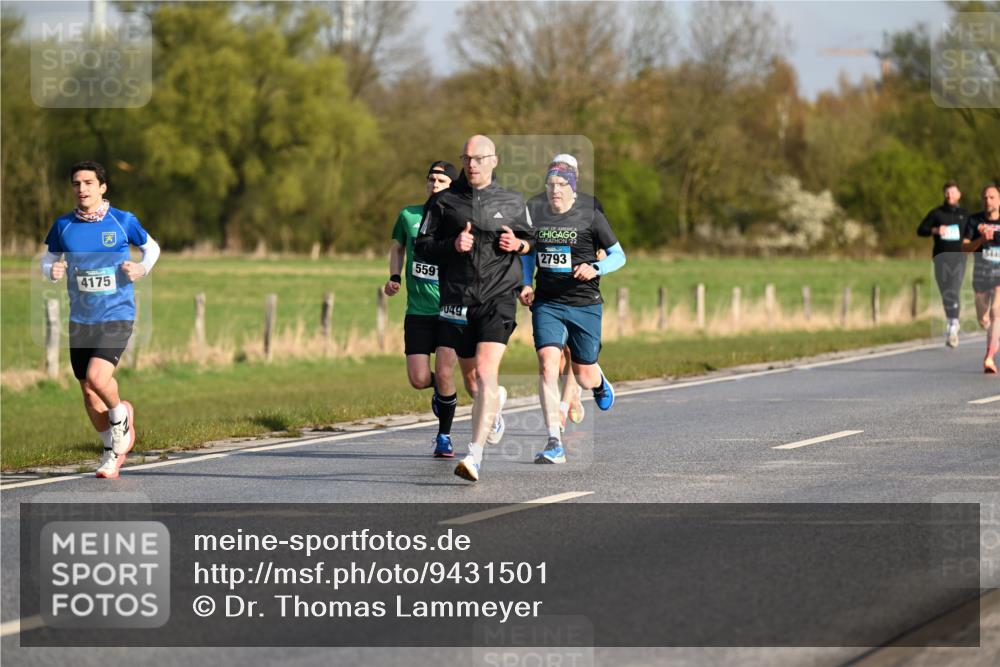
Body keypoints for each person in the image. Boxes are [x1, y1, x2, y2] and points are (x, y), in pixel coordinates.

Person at [416, 135, 535, 482]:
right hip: (458, 298)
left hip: (498, 298)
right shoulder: (442, 202)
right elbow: (423, 246)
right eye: (467, 158)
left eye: (479, 158)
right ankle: (494, 404)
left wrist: (520, 244)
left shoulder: (512, 199)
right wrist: (452, 244)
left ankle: (475, 456)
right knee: (473, 380)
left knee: (484, 371)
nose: (472, 164)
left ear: (494, 161)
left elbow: (533, 239)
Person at [41, 161, 160, 479]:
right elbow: (49, 258)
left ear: (102, 187)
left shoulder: (123, 221)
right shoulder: (63, 225)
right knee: (88, 391)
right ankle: (112, 450)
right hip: (81, 318)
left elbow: (152, 248)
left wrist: (141, 269)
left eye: (89, 183)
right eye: (77, 183)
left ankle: (120, 416)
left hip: (117, 313)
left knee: (97, 377)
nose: (82, 189)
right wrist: (50, 271)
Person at [520, 154, 625, 464]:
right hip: (548, 302)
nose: (554, 190)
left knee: (584, 374)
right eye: (550, 184)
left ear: (573, 186)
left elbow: (619, 256)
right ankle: (554, 440)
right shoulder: (535, 210)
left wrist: (596, 267)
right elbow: (528, 252)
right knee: (547, 364)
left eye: (561, 184)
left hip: (584, 302)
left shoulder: (591, 214)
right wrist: (526, 282)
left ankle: (599, 380)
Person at [385, 161, 470, 457]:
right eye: (431, 179)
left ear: (451, 186)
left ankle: (444, 436)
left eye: (442, 180)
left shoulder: (459, 218)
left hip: (451, 308)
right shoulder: (410, 215)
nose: (434, 184)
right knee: (419, 379)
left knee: (445, 372)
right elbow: (397, 247)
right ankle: (443, 391)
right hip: (418, 311)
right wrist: (395, 277)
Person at [918, 181, 969, 347]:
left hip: (959, 259)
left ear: (959, 194)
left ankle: (953, 325)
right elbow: (921, 230)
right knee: (946, 291)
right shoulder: (936, 213)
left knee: (953, 289)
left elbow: (974, 233)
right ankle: (951, 320)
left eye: (953, 192)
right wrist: (935, 230)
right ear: (944, 195)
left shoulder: (965, 215)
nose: (950, 196)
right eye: (947, 193)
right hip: (940, 259)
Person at [962, 183, 1000, 373]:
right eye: (985, 197)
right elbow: (965, 249)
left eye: (992, 197)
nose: (988, 201)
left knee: (996, 313)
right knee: (983, 319)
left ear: (999, 201)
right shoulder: (974, 221)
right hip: (981, 276)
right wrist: (982, 240)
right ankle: (995, 338)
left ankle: (989, 357)